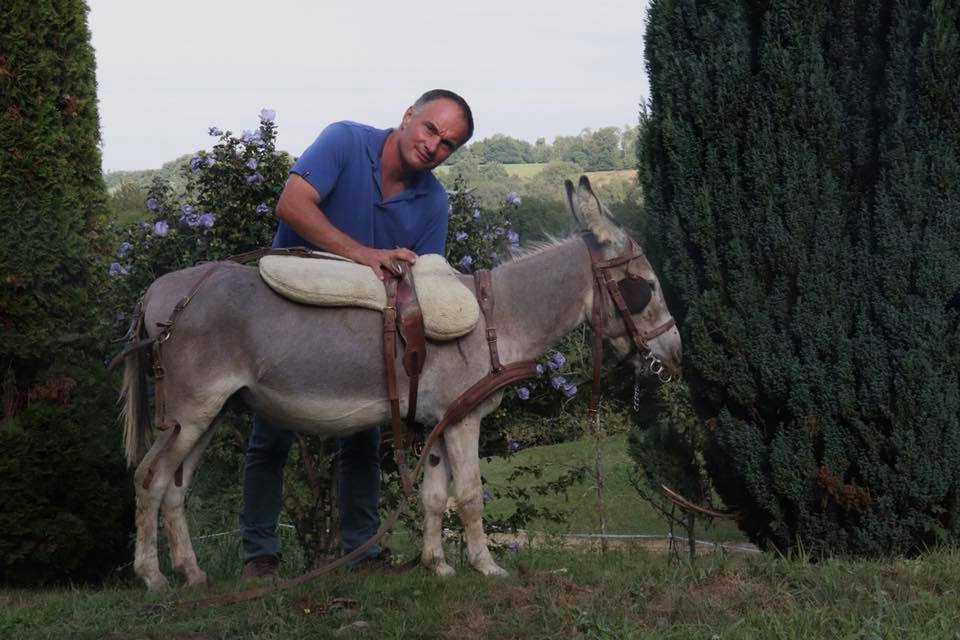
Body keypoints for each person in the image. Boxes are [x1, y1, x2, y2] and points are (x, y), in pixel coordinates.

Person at [239, 89, 474, 578]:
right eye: (431, 129)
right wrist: (364, 253)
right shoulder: (344, 141)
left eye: (447, 144)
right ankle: (259, 557)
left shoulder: (433, 201)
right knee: (270, 435)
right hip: (289, 311)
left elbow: (423, 282)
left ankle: (362, 554)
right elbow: (292, 205)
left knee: (364, 441)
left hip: (365, 330)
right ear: (408, 116)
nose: (433, 146)